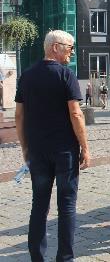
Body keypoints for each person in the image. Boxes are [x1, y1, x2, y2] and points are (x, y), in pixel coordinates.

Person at [15, 30, 90, 261]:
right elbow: (76, 114)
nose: (72, 52)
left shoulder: (26, 75)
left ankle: (36, 257)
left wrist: (25, 146)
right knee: (66, 205)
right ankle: (64, 257)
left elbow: (19, 115)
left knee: (39, 204)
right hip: (64, 150)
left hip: (38, 150)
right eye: (70, 47)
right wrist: (85, 147)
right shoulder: (65, 75)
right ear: (55, 47)